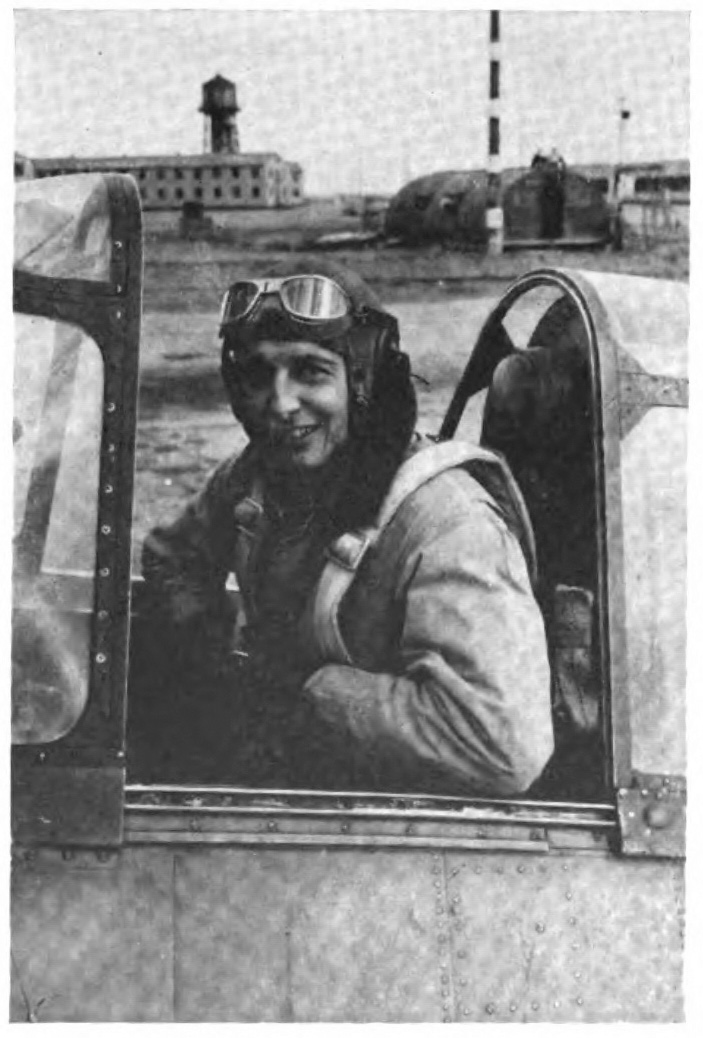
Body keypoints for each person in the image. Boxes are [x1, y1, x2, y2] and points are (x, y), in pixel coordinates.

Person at [140, 258, 553, 795]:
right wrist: (219, 658)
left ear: (363, 379)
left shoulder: (446, 522)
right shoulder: (256, 474)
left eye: (311, 372)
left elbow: (502, 747)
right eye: (259, 375)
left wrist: (310, 694)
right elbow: (172, 557)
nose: (281, 403)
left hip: (390, 821)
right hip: (291, 771)